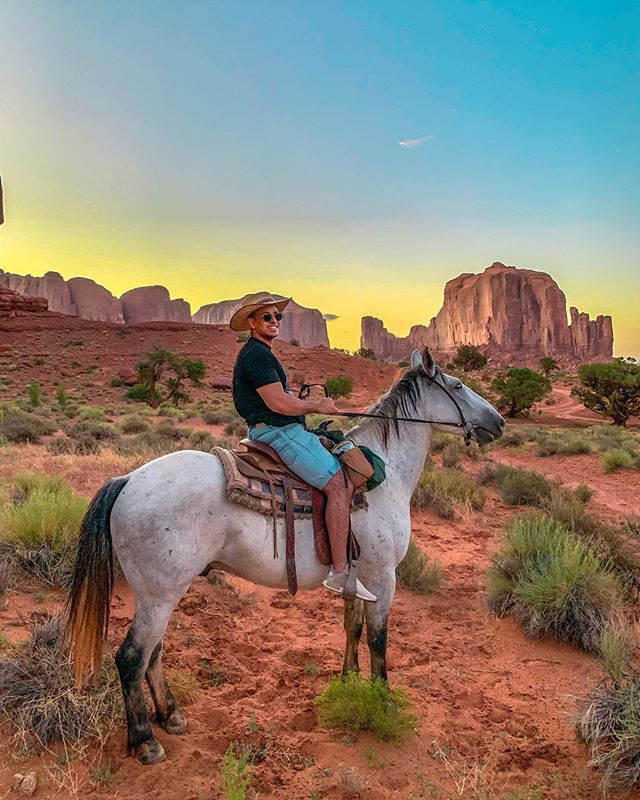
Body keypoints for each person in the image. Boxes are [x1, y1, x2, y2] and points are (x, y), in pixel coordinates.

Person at [230, 292, 376, 602]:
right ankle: (339, 572)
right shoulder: (256, 355)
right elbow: (278, 402)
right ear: (253, 324)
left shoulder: (261, 353)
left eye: (277, 317)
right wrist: (317, 406)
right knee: (338, 485)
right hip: (278, 433)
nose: (274, 321)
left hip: (274, 429)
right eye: (267, 317)